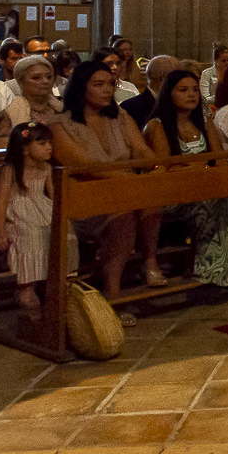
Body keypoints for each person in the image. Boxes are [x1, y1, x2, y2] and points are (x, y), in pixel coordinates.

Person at [50, 60, 158, 315]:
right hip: (85, 199)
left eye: (110, 84)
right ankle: (114, 296)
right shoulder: (59, 125)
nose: (107, 90)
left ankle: (150, 263)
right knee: (123, 218)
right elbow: (85, 166)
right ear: (80, 88)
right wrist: (130, 180)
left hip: (126, 191)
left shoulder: (119, 116)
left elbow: (140, 149)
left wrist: (157, 168)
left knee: (153, 200)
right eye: (98, 85)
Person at [146, 69, 228, 287]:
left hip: (203, 186)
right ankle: (208, 268)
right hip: (172, 193)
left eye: (195, 90)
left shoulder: (204, 122)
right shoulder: (157, 125)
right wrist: (201, 165)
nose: (191, 95)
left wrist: (196, 165)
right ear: (169, 93)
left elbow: (219, 161)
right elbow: (166, 167)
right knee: (212, 203)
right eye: (183, 90)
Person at [0, 122, 57, 318]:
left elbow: (53, 196)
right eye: (42, 143)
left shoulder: (46, 167)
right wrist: (1, 231)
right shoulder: (11, 170)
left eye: (49, 143)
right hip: (17, 210)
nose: (49, 147)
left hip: (40, 207)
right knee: (29, 233)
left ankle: (56, 283)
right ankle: (25, 287)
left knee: (61, 230)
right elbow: (2, 202)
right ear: (24, 148)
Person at [0, 55, 63, 146]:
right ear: (20, 81)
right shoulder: (9, 115)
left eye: (49, 77)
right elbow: (1, 151)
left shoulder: (62, 109)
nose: (45, 81)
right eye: (36, 78)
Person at [120, 55, 179, 128]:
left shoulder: (177, 103)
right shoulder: (131, 107)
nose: (182, 81)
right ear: (164, 77)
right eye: (178, 76)